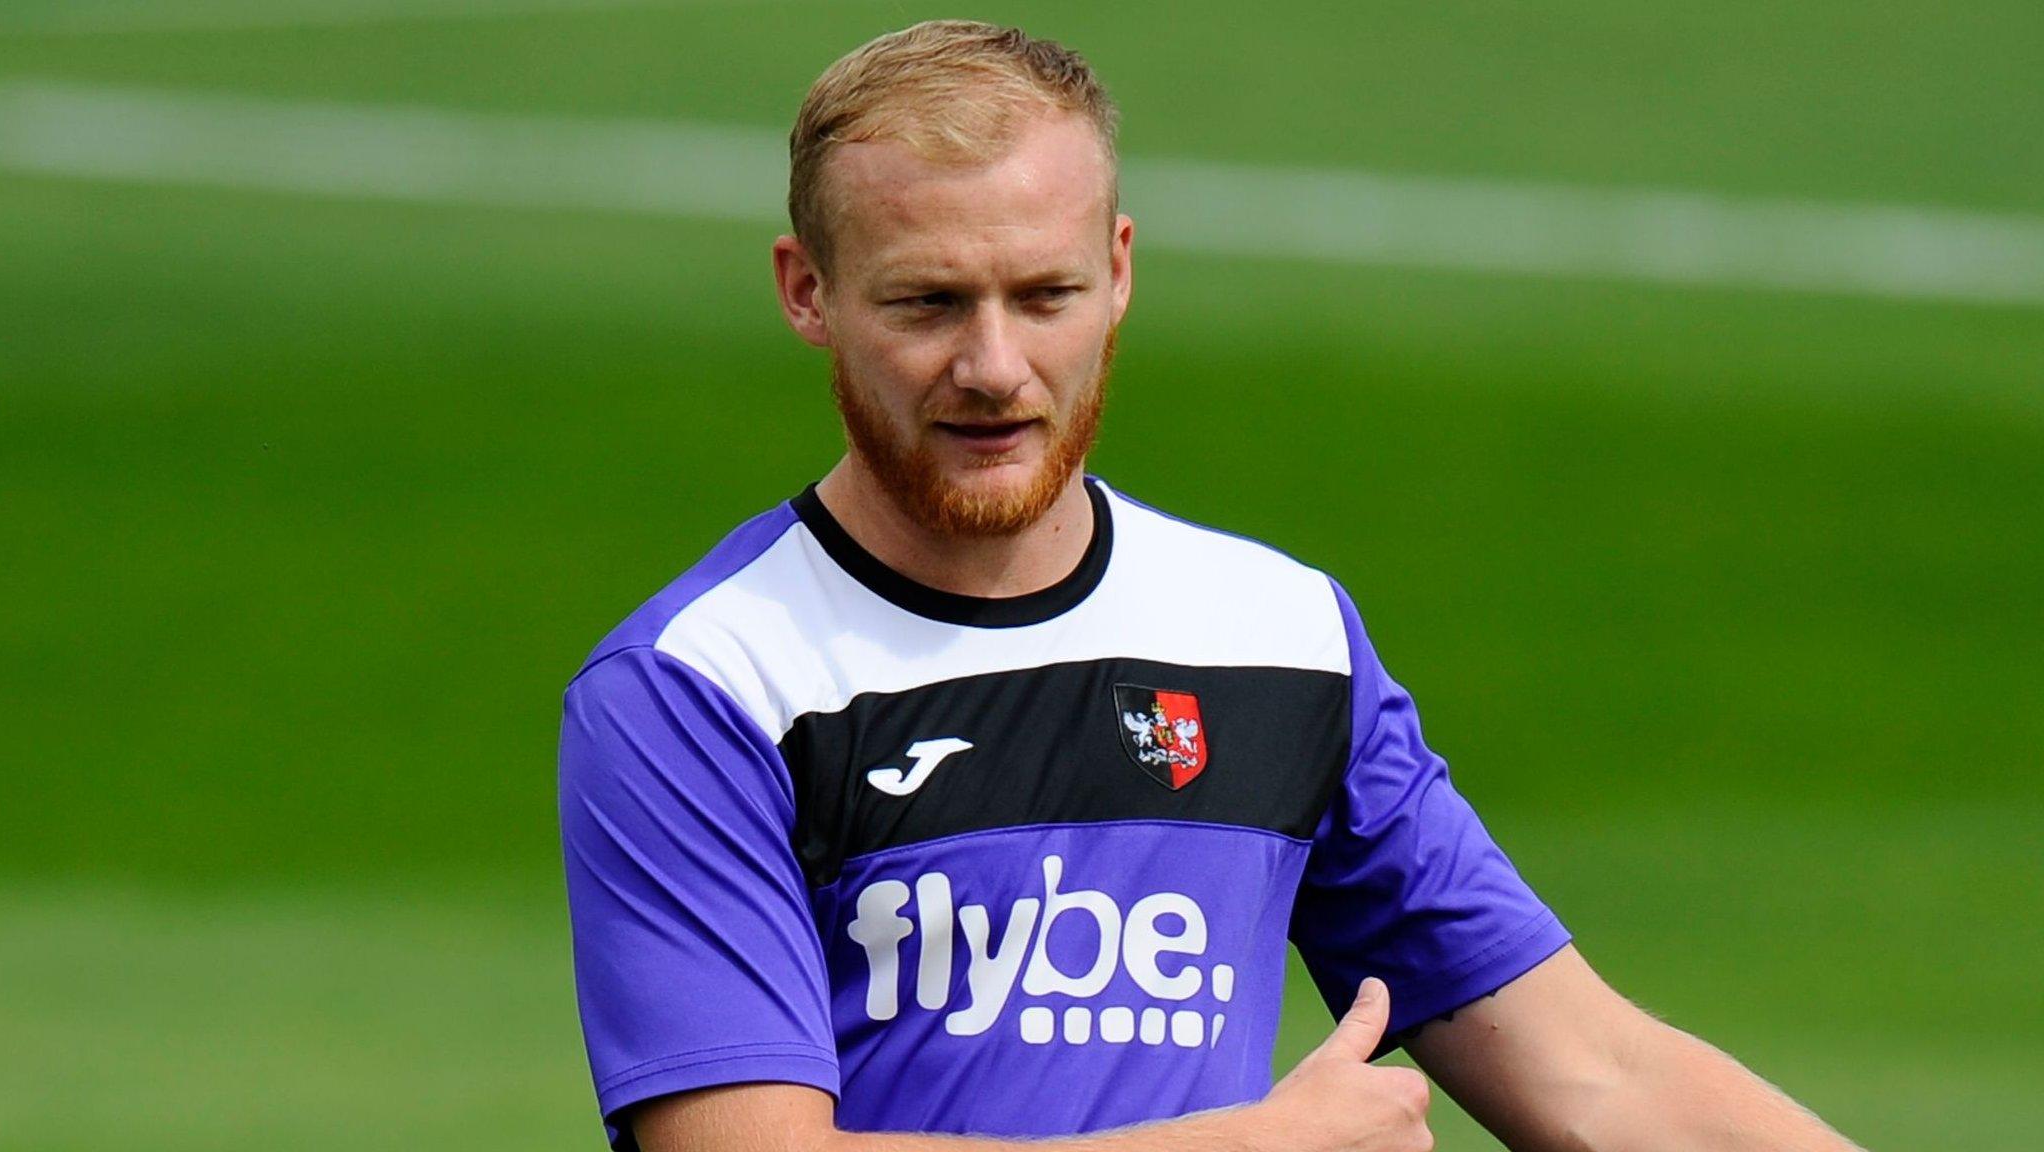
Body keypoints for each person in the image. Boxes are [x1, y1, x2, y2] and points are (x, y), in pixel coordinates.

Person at [559, 20, 1863, 1152]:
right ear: (809, 292)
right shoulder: (706, 689)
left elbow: (1598, 1077)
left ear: (1119, 270)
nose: (996, 365)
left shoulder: (1277, 639)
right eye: (928, 303)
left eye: (1046, 294)